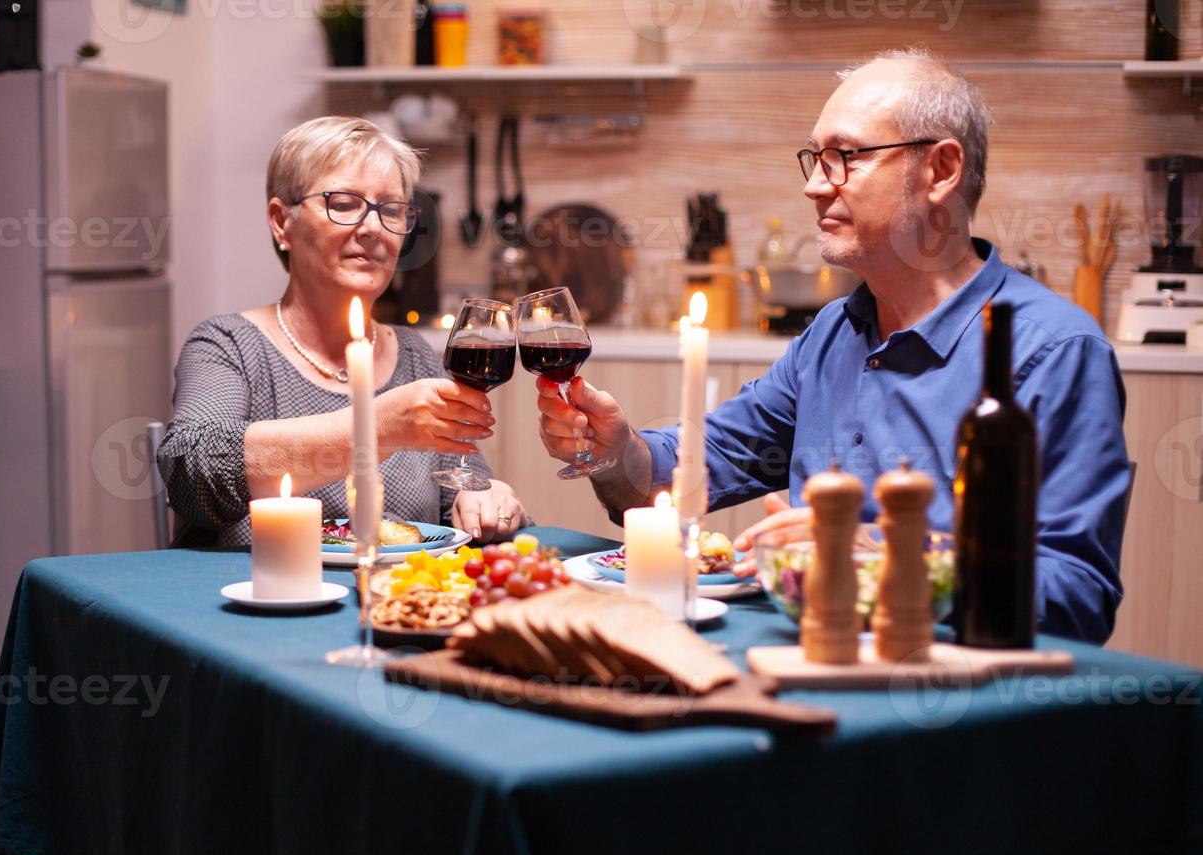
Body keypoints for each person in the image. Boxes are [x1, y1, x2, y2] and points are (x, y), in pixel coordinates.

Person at [536, 48, 1130, 643]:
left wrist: (883, 555)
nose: (816, 186)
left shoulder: (1054, 351)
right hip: (811, 658)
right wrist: (615, 448)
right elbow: (686, 474)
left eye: (844, 156)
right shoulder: (834, 333)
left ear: (941, 170)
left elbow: (1077, 596)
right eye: (814, 159)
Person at [159, 116, 527, 546]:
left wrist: (486, 499)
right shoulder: (228, 345)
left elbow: (461, 497)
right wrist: (377, 427)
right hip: (252, 606)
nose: (373, 228)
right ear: (281, 222)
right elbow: (193, 475)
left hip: (394, 607)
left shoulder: (415, 356)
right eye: (344, 203)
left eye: (392, 210)